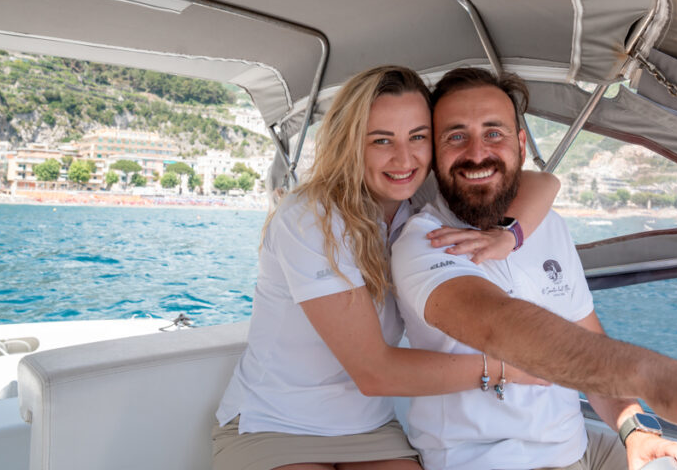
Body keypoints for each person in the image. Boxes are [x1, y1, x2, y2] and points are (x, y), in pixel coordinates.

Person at [391, 68, 677, 470]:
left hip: (577, 447)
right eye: (456, 137)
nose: (477, 153)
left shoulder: (547, 226)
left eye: (493, 133)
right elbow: (499, 326)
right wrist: (664, 379)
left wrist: (634, 430)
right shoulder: (424, 241)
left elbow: (586, 341)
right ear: (433, 154)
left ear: (521, 143)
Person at [212, 65, 559, 470]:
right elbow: (374, 371)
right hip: (274, 424)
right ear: (350, 144)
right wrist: (508, 368)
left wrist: (506, 236)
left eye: (418, 137)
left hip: (369, 428)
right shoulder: (310, 218)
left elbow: (543, 183)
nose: (403, 158)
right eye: (382, 140)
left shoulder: (419, 195)